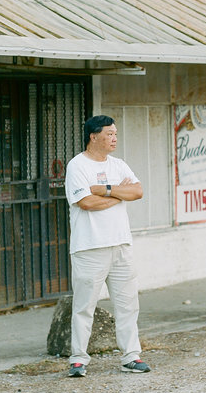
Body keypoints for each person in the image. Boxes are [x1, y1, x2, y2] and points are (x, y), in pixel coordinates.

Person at [64, 114, 151, 377]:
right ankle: (78, 359)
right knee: (84, 306)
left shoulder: (118, 165)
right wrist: (118, 196)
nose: (114, 138)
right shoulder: (77, 166)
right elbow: (86, 203)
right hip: (89, 247)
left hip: (121, 245)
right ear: (93, 136)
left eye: (115, 133)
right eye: (109, 134)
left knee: (127, 304)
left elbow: (137, 192)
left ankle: (131, 356)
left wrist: (105, 190)